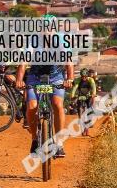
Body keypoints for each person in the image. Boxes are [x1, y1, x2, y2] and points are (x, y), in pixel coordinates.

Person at [14, 15, 74, 159]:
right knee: (32, 106)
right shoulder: (33, 40)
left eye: (49, 28)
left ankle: (59, 143)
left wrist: (70, 78)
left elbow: (69, 61)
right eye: (44, 28)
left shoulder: (60, 40)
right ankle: (35, 139)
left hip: (55, 77)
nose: (46, 31)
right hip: (35, 77)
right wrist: (19, 80)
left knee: (57, 104)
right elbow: (24, 62)